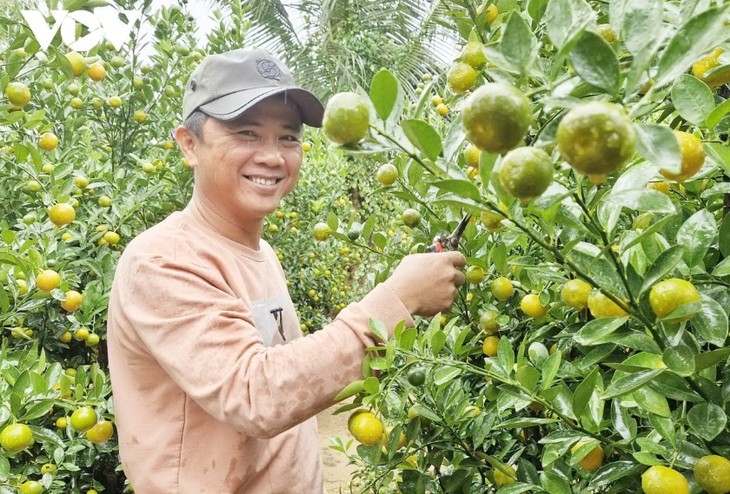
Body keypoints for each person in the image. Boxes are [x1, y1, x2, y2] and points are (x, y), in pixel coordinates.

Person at [106, 48, 466, 493]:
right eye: (247, 133)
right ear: (189, 144)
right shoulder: (161, 262)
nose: (273, 157)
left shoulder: (263, 253)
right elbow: (257, 395)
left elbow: (291, 374)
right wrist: (399, 300)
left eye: (288, 138)